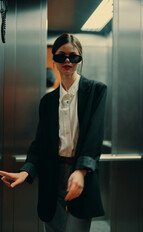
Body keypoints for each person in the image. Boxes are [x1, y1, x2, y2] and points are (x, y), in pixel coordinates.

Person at [0, 33, 107, 232]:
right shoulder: (47, 102)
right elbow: (40, 143)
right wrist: (27, 170)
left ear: (80, 58)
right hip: (51, 175)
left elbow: (95, 135)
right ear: (54, 60)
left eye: (73, 56)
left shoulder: (96, 91)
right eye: (61, 56)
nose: (67, 60)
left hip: (79, 174)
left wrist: (82, 170)